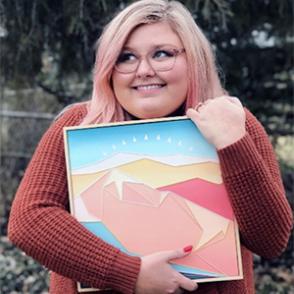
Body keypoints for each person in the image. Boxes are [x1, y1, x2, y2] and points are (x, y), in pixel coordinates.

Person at [8, 0, 293, 293]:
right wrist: (131, 274)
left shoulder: (233, 123)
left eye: (162, 54)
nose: (143, 70)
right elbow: (29, 220)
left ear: (193, 59)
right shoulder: (79, 123)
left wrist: (233, 144)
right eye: (126, 57)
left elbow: (271, 241)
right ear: (109, 67)